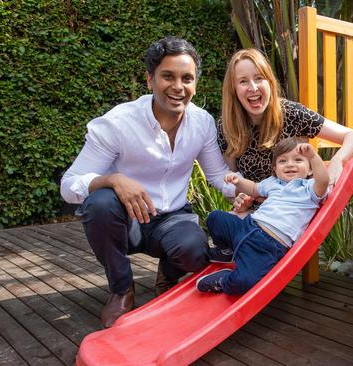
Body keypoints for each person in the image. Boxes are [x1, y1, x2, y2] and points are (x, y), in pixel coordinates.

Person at [60, 36, 235, 328]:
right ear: (149, 79)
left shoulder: (202, 122)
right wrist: (113, 180)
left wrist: (253, 191)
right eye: (168, 76)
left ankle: (168, 272)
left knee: (195, 251)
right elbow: (69, 185)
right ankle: (121, 289)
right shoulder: (118, 123)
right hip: (127, 222)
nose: (178, 87)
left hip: (173, 219)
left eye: (187, 78)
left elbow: (217, 174)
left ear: (195, 84)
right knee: (100, 202)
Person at [217, 48, 353, 214]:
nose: (253, 87)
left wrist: (338, 161)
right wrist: (240, 197)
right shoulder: (227, 126)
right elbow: (233, 181)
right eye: (243, 81)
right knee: (220, 222)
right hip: (256, 212)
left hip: (294, 212)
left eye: (259, 78)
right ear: (234, 90)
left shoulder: (290, 113)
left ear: (269, 82)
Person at [196, 137, 328, 295]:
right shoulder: (272, 182)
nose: (290, 164)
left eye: (298, 160)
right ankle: (226, 251)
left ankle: (224, 280)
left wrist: (313, 156)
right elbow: (253, 188)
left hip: (268, 247)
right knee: (215, 218)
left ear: (310, 169)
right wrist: (238, 181)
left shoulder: (309, 189)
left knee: (244, 282)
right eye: (283, 161)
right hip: (247, 226)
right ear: (275, 168)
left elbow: (324, 180)